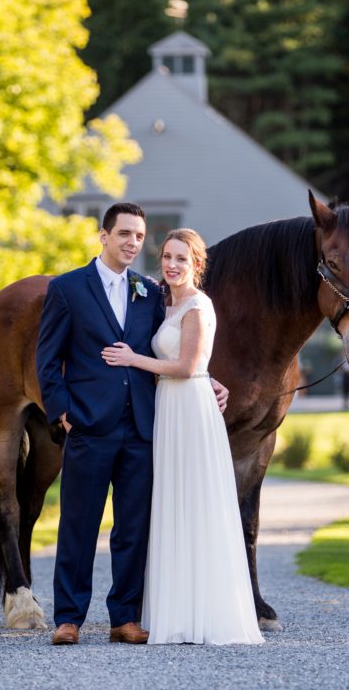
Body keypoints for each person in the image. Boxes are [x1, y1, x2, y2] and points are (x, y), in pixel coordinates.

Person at [36, 204, 228, 646]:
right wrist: (63, 413)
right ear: (103, 236)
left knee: (133, 528)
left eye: (139, 236)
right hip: (88, 425)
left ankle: (124, 616)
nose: (132, 243)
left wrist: (208, 379)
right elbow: (47, 360)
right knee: (78, 525)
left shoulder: (150, 291)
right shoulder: (68, 289)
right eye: (123, 233)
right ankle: (68, 618)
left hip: (144, 428)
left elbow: (175, 351)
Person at [102, 228, 263, 646]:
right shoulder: (165, 301)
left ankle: (207, 611)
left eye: (182, 259)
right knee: (171, 504)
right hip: (168, 410)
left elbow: (190, 366)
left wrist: (132, 359)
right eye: (168, 258)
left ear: (197, 264)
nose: (173, 265)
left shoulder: (198, 305)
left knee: (197, 503)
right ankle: (176, 612)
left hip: (190, 409)